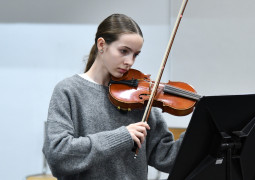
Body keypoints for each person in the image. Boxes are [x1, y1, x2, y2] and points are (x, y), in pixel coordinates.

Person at [43, 13, 184, 180]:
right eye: (124, 51)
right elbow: (58, 156)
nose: (130, 61)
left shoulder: (138, 96)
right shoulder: (69, 91)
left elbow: (166, 157)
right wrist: (122, 136)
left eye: (135, 54)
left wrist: (201, 132)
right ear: (102, 45)